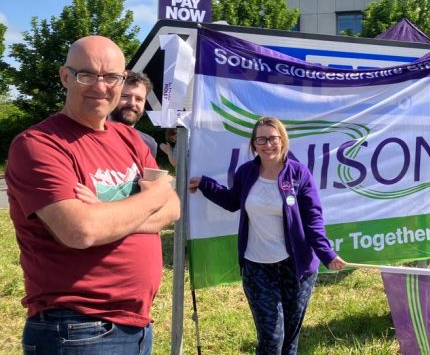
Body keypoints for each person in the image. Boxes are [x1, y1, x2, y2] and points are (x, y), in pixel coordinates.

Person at [5, 35, 180, 354]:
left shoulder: (129, 138)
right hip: (76, 328)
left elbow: (172, 207)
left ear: (122, 79)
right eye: (87, 75)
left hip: (137, 326)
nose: (101, 87)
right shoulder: (39, 145)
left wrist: (105, 214)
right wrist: (150, 199)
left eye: (111, 77)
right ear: (65, 76)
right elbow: (81, 229)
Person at [189, 116, 346, 355]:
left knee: (289, 342)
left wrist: (327, 254)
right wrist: (205, 184)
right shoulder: (246, 173)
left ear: (282, 141)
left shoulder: (298, 174)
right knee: (272, 340)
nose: (267, 144)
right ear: (253, 144)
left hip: (296, 269)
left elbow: (313, 219)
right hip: (257, 266)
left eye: (272, 138)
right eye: (260, 139)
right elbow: (232, 202)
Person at [110, 70, 158, 158]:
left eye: (138, 99)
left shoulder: (148, 144)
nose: (132, 103)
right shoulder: (88, 137)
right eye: (124, 96)